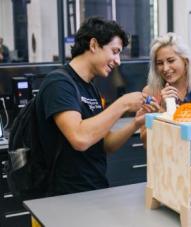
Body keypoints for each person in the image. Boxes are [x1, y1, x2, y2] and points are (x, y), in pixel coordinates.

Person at [35, 17, 148, 195]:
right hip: (64, 196)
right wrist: (123, 103)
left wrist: (135, 124)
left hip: (94, 189)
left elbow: (106, 144)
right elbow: (80, 138)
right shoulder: (58, 83)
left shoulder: (90, 88)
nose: (118, 61)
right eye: (115, 51)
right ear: (94, 45)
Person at [139, 33, 191, 171]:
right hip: (168, 176)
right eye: (159, 63)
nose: (165, 68)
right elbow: (146, 143)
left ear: (185, 60)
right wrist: (162, 112)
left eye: (171, 60)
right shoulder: (151, 93)